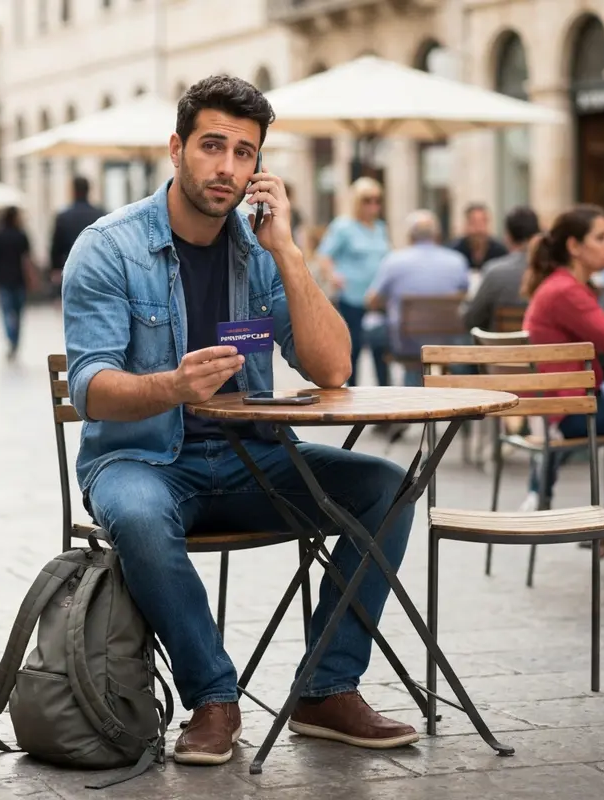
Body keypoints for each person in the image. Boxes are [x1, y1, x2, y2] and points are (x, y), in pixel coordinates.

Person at [62, 75, 418, 766]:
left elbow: (332, 368)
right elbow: (88, 390)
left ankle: (325, 688)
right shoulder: (109, 248)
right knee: (136, 516)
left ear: (260, 167)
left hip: (254, 459)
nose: (227, 167)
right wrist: (172, 385)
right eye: (213, 146)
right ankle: (214, 698)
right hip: (144, 462)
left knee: (388, 486)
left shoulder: (258, 252)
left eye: (245, 153)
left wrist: (286, 250)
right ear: (177, 148)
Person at [522, 205, 604, 567]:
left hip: (570, 404)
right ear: (574, 246)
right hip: (570, 411)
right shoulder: (565, 291)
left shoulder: (567, 286)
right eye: (601, 237)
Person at [366, 210, 470, 386]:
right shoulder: (456, 261)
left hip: (405, 344)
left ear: (409, 236)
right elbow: (465, 294)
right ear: (437, 235)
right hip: (446, 340)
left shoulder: (393, 261)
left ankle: (383, 386)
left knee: (371, 327)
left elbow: (371, 301)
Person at [315, 177, 391, 386]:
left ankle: (387, 399)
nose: (373, 205)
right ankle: (353, 398)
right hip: (351, 298)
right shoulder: (343, 227)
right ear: (357, 201)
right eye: (367, 200)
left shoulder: (381, 228)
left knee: (381, 350)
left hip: (376, 300)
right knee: (353, 349)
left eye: (377, 200)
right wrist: (334, 276)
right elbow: (323, 256)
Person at [461, 206, 540, 332]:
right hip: (540, 348)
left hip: (499, 348)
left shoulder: (495, 271)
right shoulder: (551, 270)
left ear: (508, 236)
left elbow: (472, 319)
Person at [0, 206, 36, 360]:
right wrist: (31, 279)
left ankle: (10, 338)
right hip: (19, 279)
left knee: (6, 312)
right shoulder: (21, 235)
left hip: (4, 280)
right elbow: (27, 259)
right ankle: (15, 340)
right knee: (18, 313)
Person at [49, 176, 105, 296]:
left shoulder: (63, 217)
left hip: (70, 270)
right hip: (96, 270)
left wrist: (55, 268)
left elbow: (56, 246)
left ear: (73, 191)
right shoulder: (100, 215)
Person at [450, 202, 508, 271]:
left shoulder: (501, 253)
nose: (479, 229)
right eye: (474, 223)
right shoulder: (454, 252)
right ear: (466, 225)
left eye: (483, 223)